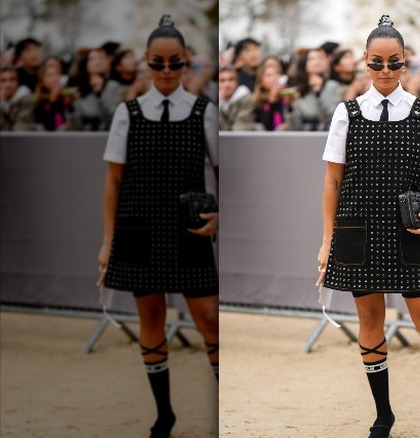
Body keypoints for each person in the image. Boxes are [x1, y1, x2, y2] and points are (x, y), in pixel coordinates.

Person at [317, 15, 420, 438]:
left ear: (405, 64)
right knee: (370, 323)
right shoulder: (345, 112)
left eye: (394, 63)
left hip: (409, 233)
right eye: (376, 63)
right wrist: (327, 240)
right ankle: (383, 415)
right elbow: (333, 181)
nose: (385, 71)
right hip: (356, 232)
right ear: (364, 64)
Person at [96, 15, 219, 438]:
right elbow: (113, 181)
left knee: (209, 320)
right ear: (146, 64)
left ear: (185, 64)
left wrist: (220, 215)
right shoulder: (126, 113)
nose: (166, 71)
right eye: (157, 63)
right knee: (150, 317)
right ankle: (164, 415)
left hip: (189, 231)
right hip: (137, 229)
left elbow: (224, 171)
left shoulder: (205, 111)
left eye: (175, 63)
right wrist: (108, 241)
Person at [287, 48, 340, 131]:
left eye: (320, 58)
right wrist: (290, 106)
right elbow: (295, 127)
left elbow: (332, 118)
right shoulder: (298, 91)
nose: (317, 61)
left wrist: (318, 93)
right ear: (303, 64)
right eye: (311, 59)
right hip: (305, 139)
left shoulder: (332, 86)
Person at [218, 65, 254, 130]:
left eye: (231, 79)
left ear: (237, 82)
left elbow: (240, 130)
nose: (227, 84)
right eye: (222, 80)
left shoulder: (245, 99)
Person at [0, 65, 35, 130]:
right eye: (3, 80)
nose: (8, 84)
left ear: (18, 82)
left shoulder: (27, 100)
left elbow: (20, 131)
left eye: (12, 79)